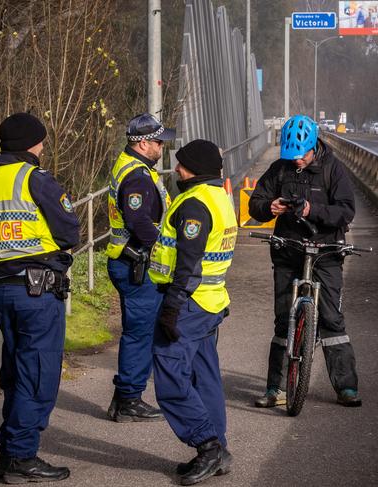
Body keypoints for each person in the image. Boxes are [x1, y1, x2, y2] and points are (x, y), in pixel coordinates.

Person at [0, 112, 79, 484]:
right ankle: (20, 457)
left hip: (2, 291)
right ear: (32, 144)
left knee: (17, 372)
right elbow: (69, 231)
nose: (44, 147)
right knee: (38, 375)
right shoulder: (36, 180)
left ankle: (9, 452)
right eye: (41, 141)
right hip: (38, 292)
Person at [248, 114, 362, 408]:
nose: (296, 161)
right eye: (291, 156)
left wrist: (312, 209)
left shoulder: (333, 170)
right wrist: (267, 207)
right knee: (282, 320)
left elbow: (346, 211)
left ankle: (346, 387)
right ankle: (276, 387)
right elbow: (255, 203)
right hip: (288, 250)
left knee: (331, 320)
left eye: (300, 156)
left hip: (325, 252)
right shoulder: (280, 169)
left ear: (313, 147)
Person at [149, 139, 236, 485]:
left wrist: (171, 308)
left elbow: (188, 263)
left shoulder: (195, 203)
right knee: (205, 375)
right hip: (211, 301)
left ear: (193, 169)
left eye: (181, 165)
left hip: (190, 302)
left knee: (169, 372)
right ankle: (219, 449)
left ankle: (208, 445)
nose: (176, 170)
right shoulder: (219, 197)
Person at [105, 113, 175, 422]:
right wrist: (162, 246)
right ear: (143, 143)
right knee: (140, 334)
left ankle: (123, 398)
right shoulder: (136, 176)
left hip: (128, 260)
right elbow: (137, 220)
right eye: (159, 141)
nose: (163, 146)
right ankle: (129, 400)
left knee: (140, 331)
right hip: (136, 263)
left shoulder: (133, 167)